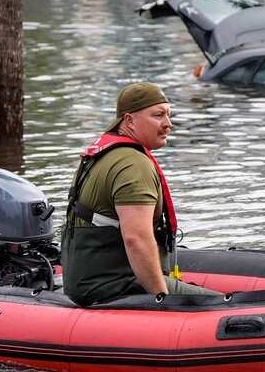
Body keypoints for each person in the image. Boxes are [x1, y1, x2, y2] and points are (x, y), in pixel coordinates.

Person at [61, 82, 218, 306]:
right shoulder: (133, 165)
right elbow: (136, 239)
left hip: (88, 282)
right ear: (129, 121)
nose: (168, 124)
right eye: (158, 115)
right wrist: (163, 298)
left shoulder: (104, 154)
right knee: (221, 306)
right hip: (116, 285)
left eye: (169, 115)